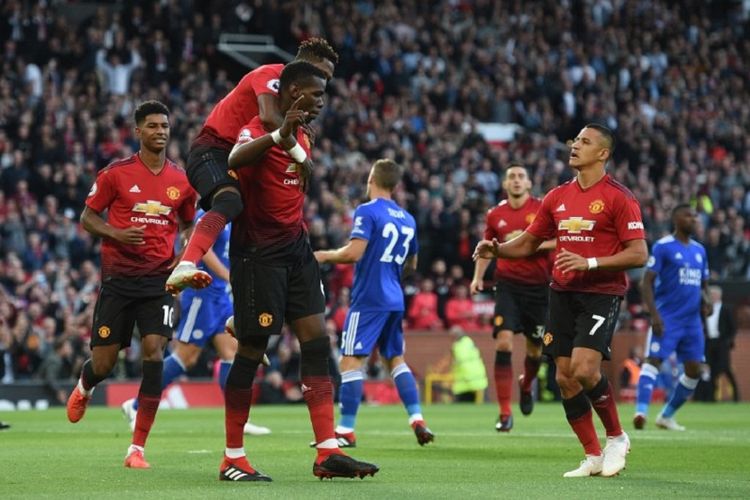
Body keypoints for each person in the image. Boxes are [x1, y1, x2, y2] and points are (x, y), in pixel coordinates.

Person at [217, 61, 378, 482]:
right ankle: (232, 457)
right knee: (252, 349)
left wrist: (293, 138)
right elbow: (234, 157)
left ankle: (327, 451)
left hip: (297, 250)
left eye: (324, 95)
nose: (322, 102)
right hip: (258, 255)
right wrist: (279, 134)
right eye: (315, 94)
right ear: (290, 93)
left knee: (316, 343)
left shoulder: (305, 134)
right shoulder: (257, 127)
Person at [474, 124, 647, 478]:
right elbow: (528, 243)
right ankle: (592, 455)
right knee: (565, 377)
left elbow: (639, 253)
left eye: (585, 142)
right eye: (575, 140)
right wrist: (497, 249)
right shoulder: (557, 196)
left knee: (585, 370)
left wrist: (591, 262)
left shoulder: (619, 197)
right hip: (561, 292)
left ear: (602, 154)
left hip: (600, 293)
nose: (575, 146)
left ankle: (616, 436)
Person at [65, 101, 198, 470]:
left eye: (165, 126)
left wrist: (184, 251)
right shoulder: (116, 174)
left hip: (160, 281)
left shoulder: (182, 180)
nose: (161, 131)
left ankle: (137, 448)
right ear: (137, 131)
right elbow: (87, 216)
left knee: (154, 352)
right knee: (105, 363)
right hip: (119, 281)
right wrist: (117, 232)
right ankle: (84, 387)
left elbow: (189, 224)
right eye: (152, 126)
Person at [165, 38, 338, 294]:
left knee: (262, 220)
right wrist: (300, 154)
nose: (324, 83)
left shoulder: (293, 106)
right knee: (229, 201)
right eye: (322, 73)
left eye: (328, 78)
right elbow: (269, 119)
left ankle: (248, 308)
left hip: (250, 155)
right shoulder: (271, 73)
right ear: (303, 65)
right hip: (215, 150)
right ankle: (187, 262)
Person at [314, 158, 435, 448]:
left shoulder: (367, 211)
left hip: (369, 298)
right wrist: (390, 275)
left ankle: (345, 430)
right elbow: (412, 262)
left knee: (350, 361)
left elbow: (354, 253)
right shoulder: (408, 218)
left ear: (372, 179)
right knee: (395, 359)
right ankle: (417, 418)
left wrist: (323, 255)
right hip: (395, 298)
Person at [121, 209, 270, 436]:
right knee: (185, 357)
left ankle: (237, 418)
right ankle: (136, 405)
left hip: (220, 296)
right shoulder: (208, 214)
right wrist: (229, 276)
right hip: (202, 293)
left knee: (231, 353)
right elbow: (201, 248)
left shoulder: (230, 215)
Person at [470, 163, 554, 432]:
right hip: (507, 286)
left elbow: (560, 239)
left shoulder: (542, 209)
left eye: (521, 176)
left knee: (535, 350)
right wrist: (477, 277)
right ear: (505, 185)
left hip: (539, 288)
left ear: (529, 183)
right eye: (511, 177)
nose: (516, 181)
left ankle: (526, 383)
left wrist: (528, 244)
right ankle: (505, 412)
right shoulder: (495, 214)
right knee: (504, 343)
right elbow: (487, 249)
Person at [634, 206, 710, 430]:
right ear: (676, 219)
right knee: (654, 361)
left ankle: (666, 416)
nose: (694, 219)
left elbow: (703, 285)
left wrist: (706, 302)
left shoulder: (700, 251)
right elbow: (645, 282)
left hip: (692, 322)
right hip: (667, 317)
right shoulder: (663, 246)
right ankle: (641, 412)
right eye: (688, 215)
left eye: (695, 216)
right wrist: (654, 314)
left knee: (694, 370)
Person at [703, 285, 739, 401]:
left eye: (714, 295)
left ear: (719, 296)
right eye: (711, 295)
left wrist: (728, 341)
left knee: (725, 368)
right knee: (710, 370)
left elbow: (733, 327)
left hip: (722, 343)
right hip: (709, 343)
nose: (712, 297)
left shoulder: (726, 309)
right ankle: (711, 397)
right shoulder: (706, 308)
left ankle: (736, 397)